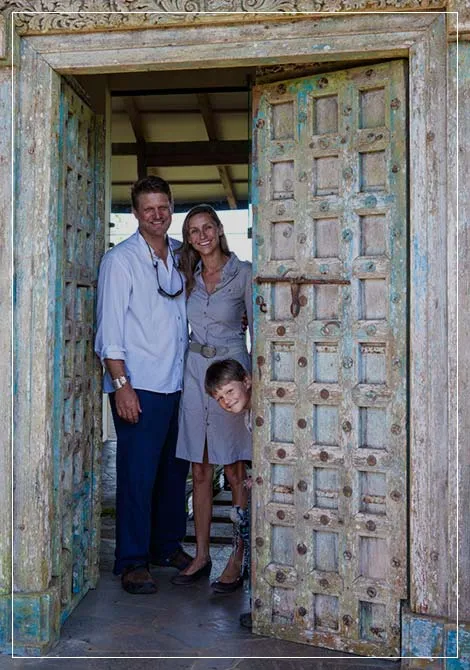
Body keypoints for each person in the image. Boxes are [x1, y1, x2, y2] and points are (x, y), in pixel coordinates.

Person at [95, 176, 193, 595]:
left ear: (172, 207)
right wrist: (122, 385)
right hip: (141, 385)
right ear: (135, 213)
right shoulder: (120, 261)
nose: (157, 215)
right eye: (148, 208)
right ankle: (132, 560)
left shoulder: (180, 255)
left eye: (164, 206)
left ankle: (166, 546)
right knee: (137, 476)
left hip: (178, 382)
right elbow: (109, 332)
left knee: (175, 472)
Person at [171, 204, 253, 594]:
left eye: (207, 227)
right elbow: (154, 248)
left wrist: (255, 383)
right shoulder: (188, 275)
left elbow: (261, 329)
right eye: (193, 231)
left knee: (235, 469)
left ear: (220, 230)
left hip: (230, 375)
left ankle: (239, 557)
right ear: (187, 238)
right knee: (199, 470)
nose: (201, 235)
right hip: (193, 374)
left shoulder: (244, 274)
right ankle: (201, 555)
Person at [204, 358, 253, 629]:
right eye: (219, 398)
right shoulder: (247, 414)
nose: (226, 401)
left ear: (247, 380)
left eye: (229, 392)